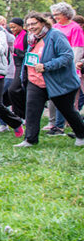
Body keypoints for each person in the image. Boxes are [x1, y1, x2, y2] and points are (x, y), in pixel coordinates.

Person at [16, 12, 84, 148]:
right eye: (28, 25)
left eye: (34, 23)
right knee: (32, 110)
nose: (31, 27)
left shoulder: (55, 35)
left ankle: (81, 134)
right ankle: (30, 139)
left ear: (42, 23)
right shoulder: (32, 38)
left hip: (58, 82)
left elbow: (67, 56)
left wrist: (47, 66)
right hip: (36, 81)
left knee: (67, 110)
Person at [47, 2, 84, 135]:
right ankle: (57, 125)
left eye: (58, 14)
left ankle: (70, 127)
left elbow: (77, 49)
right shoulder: (54, 27)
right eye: (54, 14)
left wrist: (72, 66)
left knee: (69, 100)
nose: (55, 17)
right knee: (57, 97)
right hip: (55, 66)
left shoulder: (75, 28)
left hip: (70, 66)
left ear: (66, 14)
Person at [7, 17, 29, 120]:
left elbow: (27, 52)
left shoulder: (26, 36)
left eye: (14, 27)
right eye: (11, 27)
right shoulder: (16, 36)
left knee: (14, 89)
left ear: (21, 26)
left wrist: (16, 52)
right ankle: (18, 114)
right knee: (14, 91)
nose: (12, 29)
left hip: (23, 66)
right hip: (16, 65)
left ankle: (21, 114)